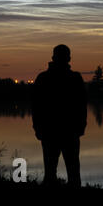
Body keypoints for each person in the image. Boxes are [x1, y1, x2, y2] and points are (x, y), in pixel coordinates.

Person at [32, 44, 87, 187]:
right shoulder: (75, 78)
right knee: (71, 173)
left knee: (53, 174)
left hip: (53, 131)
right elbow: (82, 105)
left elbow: (36, 107)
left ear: (53, 57)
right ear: (69, 58)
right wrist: (81, 126)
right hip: (64, 131)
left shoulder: (43, 78)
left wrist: (37, 128)